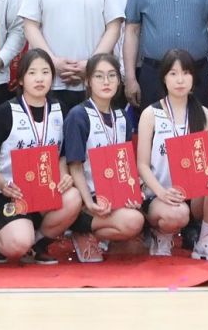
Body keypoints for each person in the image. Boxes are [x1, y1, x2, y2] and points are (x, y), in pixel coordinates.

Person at [0, 50, 85, 265]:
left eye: (45, 72)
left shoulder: (60, 110)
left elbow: (62, 154)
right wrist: (1, 184)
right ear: (20, 79)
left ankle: (38, 243)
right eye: (32, 73)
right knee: (17, 244)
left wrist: (64, 175)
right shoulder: (5, 112)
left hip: (45, 190)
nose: (39, 78)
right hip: (10, 193)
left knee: (74, 197)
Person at [135, 49, 208, 261]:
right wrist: (161, 192)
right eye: (173, 73)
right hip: (160, 195)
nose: (180, 80)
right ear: (164, 78)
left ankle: (205, 240)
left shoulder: (203, 113)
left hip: (194, 194)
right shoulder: (151, 114)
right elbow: (142, 165)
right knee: (176, 214)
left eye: (186, 73)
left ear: (193, 77)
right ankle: (161, 234)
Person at [62, 55, 144, 262]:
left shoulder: (122, 117)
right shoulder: (78, 116)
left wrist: (131, 193)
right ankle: (81, 232)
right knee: (132, 221)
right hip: (87, 199)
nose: (106, 82)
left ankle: (104, 237)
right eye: (99, 76)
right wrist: (89, 203)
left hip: (114, 196)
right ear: (88, 81)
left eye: (111, 76)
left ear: (119, 80)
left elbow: (125, 164)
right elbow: (75, 166)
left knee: (136, 227)